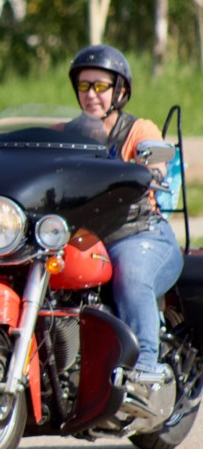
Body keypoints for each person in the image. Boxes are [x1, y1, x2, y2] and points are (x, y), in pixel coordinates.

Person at [68, 44, 184, 380]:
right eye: (84, 86)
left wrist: (154, 169)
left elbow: (158, 160)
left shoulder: (138, 130)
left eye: (101, 86)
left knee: (129, 274)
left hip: (138, 233)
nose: (92, 94)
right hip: (85, 237)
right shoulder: (68, 134)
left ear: (120, 91)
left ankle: (145, 364)